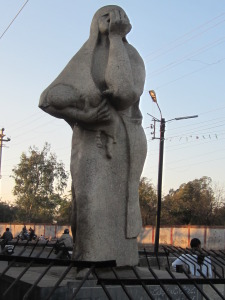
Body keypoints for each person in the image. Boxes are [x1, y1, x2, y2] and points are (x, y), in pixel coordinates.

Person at [39, 5, 147, 266]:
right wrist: (86, 117)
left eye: (117, 17)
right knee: (88, 201)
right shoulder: (85, 56)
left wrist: (115, 40)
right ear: (94, 22)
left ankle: (121, 260)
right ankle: (89, 260)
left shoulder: (131, 55)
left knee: (119, 205)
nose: (112, 21)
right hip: (89, 140)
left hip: (124, 140)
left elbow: (123, 93)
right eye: (106, 17)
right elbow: (46, 99)